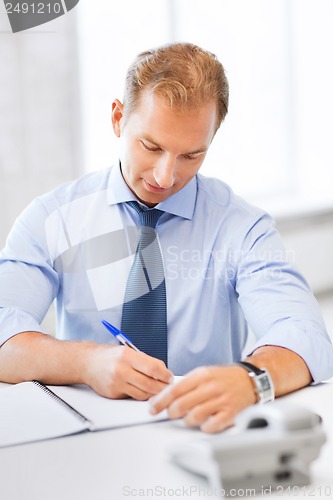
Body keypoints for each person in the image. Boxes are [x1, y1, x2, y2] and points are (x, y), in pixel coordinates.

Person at [0, 42, 332, 433]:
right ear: (118, 118)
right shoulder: (51, 217)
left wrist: (250, 379)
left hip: (202, 432)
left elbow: (305, 336)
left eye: (191, 155)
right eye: (151, 146)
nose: (165, 177)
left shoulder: (243, 227)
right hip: (85, 440)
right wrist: (86, 362)